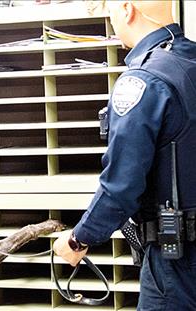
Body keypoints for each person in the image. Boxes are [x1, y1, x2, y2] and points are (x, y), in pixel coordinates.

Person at [52, 1, 196, 310]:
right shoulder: (189, 62)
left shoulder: (143, 80)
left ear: (127, 9)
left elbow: (121, 186)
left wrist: (79, 239)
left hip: (177, 261)